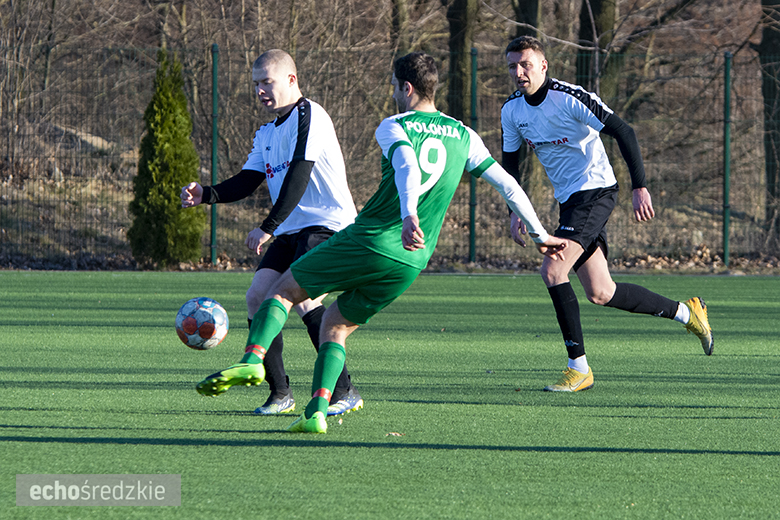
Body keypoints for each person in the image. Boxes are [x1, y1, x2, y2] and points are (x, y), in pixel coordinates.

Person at [196, 51, 568, 433]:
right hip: (412, 261)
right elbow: (508, 184)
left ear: (406, 88)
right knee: (335, 325)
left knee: (281, 292)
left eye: (393, 86)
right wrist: (539, 233)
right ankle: (317, 413)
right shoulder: (464, 134)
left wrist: (408, 215)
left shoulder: (393, 125)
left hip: (371, 239)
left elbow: (407, 164)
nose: (391, 93)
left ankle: (255, 359)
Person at [500, 36, 713, 393]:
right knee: (601, 291)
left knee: (553, 269)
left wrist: (639, 186)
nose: (519, 72)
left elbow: (623, 131)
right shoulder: (512, 110)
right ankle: (688, 313)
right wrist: (514, 209)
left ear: (543, 66)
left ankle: (578, 368)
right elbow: (510, 163)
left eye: (525, 64)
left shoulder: (569, 97)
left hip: (596, 192)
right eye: (512, 66)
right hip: (570, 201)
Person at [181, 49, 363, 416]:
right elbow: (249, 180)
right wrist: (207, 195)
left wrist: (267, 227)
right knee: (257, 297)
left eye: (267, 81)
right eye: (256, 84)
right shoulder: (266, 132)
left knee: (304, 299)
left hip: (328, 226)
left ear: (291, 80)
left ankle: (346, 392)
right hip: (294, 230)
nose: (261, 90)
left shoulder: (309, 115)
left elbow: (299, 176)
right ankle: (280, 393)